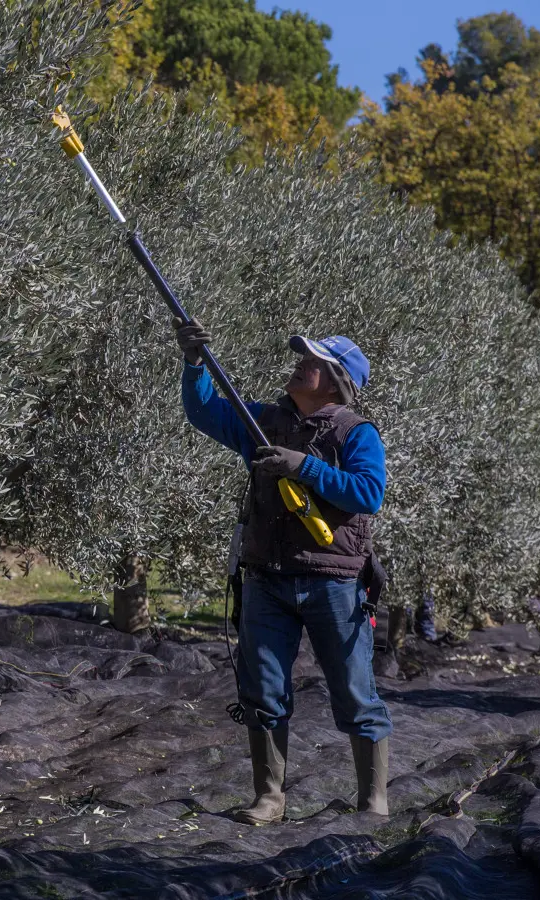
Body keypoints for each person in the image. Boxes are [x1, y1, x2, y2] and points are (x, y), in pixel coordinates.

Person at [176, 320, 392, 824]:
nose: (301, 363)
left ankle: (373, 803)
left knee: (356, 694)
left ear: (336, 380)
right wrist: (192, 363)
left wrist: (303, 467)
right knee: (263, 689)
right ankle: (270, 798)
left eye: (313, 362)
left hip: (334, 582)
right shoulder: (264, 421)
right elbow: (205, 410)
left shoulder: (355, 432)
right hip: (266, 579)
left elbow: (368, 494)